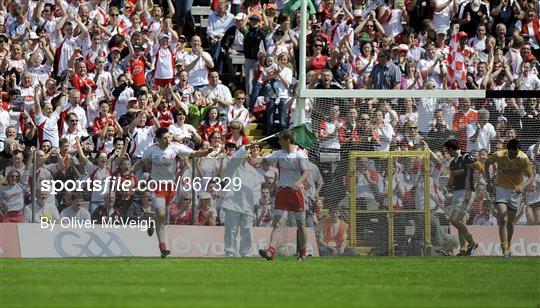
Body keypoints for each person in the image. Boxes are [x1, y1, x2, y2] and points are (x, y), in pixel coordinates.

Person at [137, 127, 213, 258]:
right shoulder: (151, 150)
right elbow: (141, 162)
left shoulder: (176, 148)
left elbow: (194, 153)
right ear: (158, 139)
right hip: (156, 185)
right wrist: (131, 171)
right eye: (165, 138)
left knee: (163, 217)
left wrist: (207, 152)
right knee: (161, 214)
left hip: (170, 187)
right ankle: (163, 246)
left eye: (169, 137)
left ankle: (155, 231)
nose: (168, 140)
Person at [258, 131, 310, 261]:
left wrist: (298, 182)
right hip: (282, 192)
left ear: (287, 140)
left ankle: (303, 253)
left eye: (281, 140)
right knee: (278, 223)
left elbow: (307, 172)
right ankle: (270, 251)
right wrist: (261, 157)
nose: (279, 142)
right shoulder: (279, 154)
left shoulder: (300, 154)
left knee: (301, 224)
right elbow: (264, 161)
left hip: (297, 192)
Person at [484, 139, 535, 258]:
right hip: (501, 188)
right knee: (503, 218)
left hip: (515, 192)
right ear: (508, 150)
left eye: (516, 153)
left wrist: (522, 186)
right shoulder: (498, 155)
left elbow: (531, 175)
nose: (514, 155)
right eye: (512, 153)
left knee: (510, 222)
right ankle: (505, 250)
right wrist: (488, 183)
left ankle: (509, 245)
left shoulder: (523, 158)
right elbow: (486, 164)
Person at [218, 142, 264, 257]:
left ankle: (246, 252)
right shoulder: (232, 165)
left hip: (248, 203)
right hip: (232, 202)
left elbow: (257, 187)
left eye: (247, 154)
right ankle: (230, 252)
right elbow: (236, 158)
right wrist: (245, 147)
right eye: (244, 153)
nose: (246, 156)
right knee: (231, 230)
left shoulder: (253, 171)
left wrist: (256, 201)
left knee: (247, 229)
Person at [443, 139, 483, 256]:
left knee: (454, 219)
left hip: (466, 192)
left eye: (447, 150)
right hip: (456, 193)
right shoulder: (453, 163)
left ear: (451, 149)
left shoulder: (465, 157)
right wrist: (448, 186)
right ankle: (463, 249)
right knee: (461, 221)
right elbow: (451, 179)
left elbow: (480, 167)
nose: (447, 152)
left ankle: (472, 242)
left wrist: (485, 181)